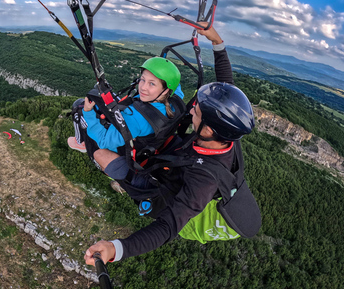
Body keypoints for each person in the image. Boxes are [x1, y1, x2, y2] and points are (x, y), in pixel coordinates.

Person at [83, 24, 260, 266]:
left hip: (164, 191)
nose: (193, 108)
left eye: (198, 112)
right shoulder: (225, 136)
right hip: (172, 159)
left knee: (100, 153)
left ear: (207, 130)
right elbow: (225, 85)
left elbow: (168, 227)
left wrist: (116, 248)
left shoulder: (203, 180)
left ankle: (116, 172)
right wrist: (216, 41)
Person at [67, 56, 185, 156]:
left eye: (152, 84)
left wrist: (88, 112)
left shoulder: (133, 118)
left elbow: (104, 140)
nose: (143, 87)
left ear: (165, 91)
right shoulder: (175, 99)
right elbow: (175, 83)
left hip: (120, 144)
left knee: (79, 106)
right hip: (142, 132)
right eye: (143, 80)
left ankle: (80, 142)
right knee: (103, 96)